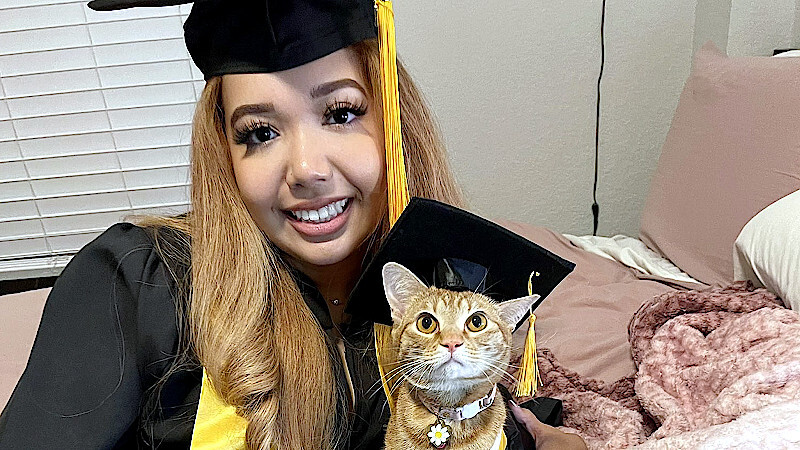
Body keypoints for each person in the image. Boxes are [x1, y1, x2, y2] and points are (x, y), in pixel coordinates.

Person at [0, 1, 587, 449]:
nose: (306, 170)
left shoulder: (454, 275)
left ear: (394, 125)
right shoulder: (138, 282)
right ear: (223, 155)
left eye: (341, 114)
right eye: (259, 132)